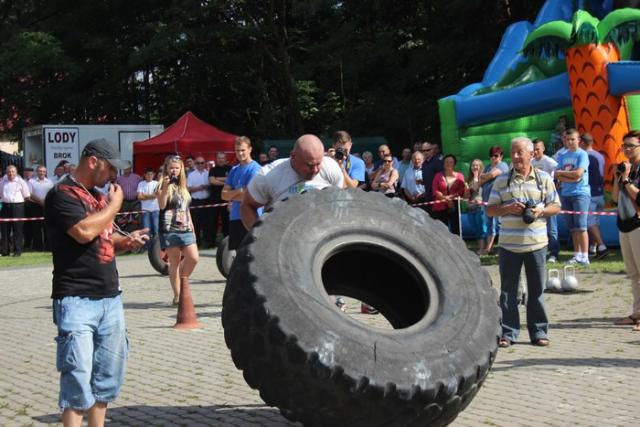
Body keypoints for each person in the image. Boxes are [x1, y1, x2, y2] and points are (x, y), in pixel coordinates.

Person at [44, 138, 148, 427]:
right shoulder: (62, 194)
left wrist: (127, 241)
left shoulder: (98, 197)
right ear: (93, 161)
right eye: (110, 167)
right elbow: (83, 232)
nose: (114, 175)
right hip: (76, 298)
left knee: (106, 378)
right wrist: (114, 206)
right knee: (76, 379)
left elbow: (103, 238)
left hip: (110, 297)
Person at [486, 136, 560, 348]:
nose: (516, 156)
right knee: (508, 293)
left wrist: (540, 211)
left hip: (537, 244)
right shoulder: (502, 180)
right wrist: (507, 208)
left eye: (520, 152)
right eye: (513, 152)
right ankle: (508, 333)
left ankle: (539, 332)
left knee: (537, 291)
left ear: (531, 154)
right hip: (509, 245)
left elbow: (556, 206)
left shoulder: (543, 178)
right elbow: (490, 210)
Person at [240, 134, 344, 230]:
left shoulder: (331, 168)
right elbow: (247, 206)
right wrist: (261, 236)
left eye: (319, 163)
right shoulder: (268, 176)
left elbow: (340, 202)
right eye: (309, 165)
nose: (315, 170)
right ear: (293, 156)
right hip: (283, 237)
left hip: (323, 234)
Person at [157, 155, 199, 305]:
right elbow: (162, 205)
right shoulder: (162, 185)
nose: (174, 170)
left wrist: (192, 226)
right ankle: (177, 295)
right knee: (174, 262)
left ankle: (182, 278)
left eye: (177, 167)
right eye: (171, 168)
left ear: (181, 169)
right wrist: (165, 187)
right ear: (166, 169)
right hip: (169, 229)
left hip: (186, 227)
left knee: (193, 257)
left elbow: (186, 208)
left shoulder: (183, 186)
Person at [612, 130, 640, 331]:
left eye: (631, 145)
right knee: (633, 273)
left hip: (638, 224)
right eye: (624, 146)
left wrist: (628, 179)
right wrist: (618, 177)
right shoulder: (625, 168)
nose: (627, 149)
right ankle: (637, 314)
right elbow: (615, 198)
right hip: (624, 224)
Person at [555, 128, 591, 265]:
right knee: (573, 228)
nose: (570, 142)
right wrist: (571, 177)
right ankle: (577, 254)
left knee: (581, 226)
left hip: (581, 194)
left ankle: (585, 256)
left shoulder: (582, 154)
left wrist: (564, 175)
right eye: (567, 139)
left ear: (578, 140)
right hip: (566, 193)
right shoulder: (562, 155)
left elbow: (579, 174)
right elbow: (557, 175)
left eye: (572, 139)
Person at [222, 137, 261, 252]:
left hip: (250, 216)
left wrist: (232, 195)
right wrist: (239, 191)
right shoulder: (234, 169)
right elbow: (223, 195)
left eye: (243, 150)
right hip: (235, 216)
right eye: (237, 150)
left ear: (250, 149)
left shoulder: (255, 169)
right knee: (237, 254)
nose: (240, 153)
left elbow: (249, 196)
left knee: (251, 253)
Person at [580, 133, 609, 259]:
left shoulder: (584, 156)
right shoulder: (600, 155)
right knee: (595, 222)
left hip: (590, 193)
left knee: (589, 222)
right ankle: (592, 247)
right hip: (600, 193)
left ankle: (602, 247)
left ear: (582, 143)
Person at [532, 138, 560, 263]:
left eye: (537, 149)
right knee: (537, 226)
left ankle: (554, 253)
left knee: (552, 227)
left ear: (543, 149)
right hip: (536, 199)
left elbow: (559, 173)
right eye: (533, 149)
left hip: (548, 199)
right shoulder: (531, 162)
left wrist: (556, 187)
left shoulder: (550, 162)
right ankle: (539, 252)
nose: (535, 152)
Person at [479, 146, 509, 255]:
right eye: (491, 155)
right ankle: (489, 248)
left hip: (499, 201)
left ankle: (503, 248)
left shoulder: (503, 165)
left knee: (500, 224)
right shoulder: (487, 167)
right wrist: (486, 176)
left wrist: (484, 176)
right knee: (489, 225)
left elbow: (491, 175)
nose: (493, 158)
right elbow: (481, 180)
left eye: (496, 155)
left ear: (501, 156)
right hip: (486, 200)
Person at [432, 154, 466, 235]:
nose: (448, 164)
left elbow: (462, 191)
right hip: (440, 206)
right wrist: (445, 198)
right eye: (446, 162)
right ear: (443, 164)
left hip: (454, 206)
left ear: (454, 164)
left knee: (456, 230)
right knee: (442, 231)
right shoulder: (438, 176)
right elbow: (435, 190)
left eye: (451, 162)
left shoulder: (460, 176)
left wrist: (451, 197)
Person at [0, 165, 30, 256]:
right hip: (5, 206)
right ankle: (5, 251)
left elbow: (27, 196)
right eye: (9, 172)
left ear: (16, 172)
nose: (11, 173)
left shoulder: (21, 181)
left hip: (18, 206)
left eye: (13, 171)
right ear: (6, 173)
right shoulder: (2, 182)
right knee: (5, 230)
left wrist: (18, 203)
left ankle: (17, 251)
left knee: (18, 229)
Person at [27, 165, 54, 251]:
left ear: (45, 172)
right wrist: (40, 201)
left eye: (43, 171)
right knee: (36, 227)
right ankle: (38, 247)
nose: (41, 173)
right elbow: (30, 194)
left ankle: (48, 247)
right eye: (40, 171)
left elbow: (52, 193)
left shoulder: (50, 182)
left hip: (47, 205)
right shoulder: (31, 181)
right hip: (34, 206)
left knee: (47, 227)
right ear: (36, 172)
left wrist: (45, 202)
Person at [186, 156, 211, 248]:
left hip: (207, 201)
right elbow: (188, 188)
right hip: (196, 201)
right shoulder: (191, 175)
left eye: (202, 163)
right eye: (198, 163)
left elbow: (212, 185)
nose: (200, 165)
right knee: (196, 223)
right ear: (195, 164)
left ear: (205, 163)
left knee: (207, 223)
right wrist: (199, 188)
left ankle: (207, 242)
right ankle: (197, 243)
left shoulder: (208, 173)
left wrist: (207, 187)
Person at [208, 152, 231, 245]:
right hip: (214, 199)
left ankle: (227, 242)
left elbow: (232, 179)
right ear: (216, 159)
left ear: (225, 159)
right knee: (212, 220)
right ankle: (211, 242)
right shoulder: (212, 169)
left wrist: (218, 178)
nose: (221, 160)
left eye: (222, 158)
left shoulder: (230, 169)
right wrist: (225, 182)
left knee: (227, 220)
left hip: (227, 198)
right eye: (219, 158)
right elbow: (212, 181)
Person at [465, 159, 487, 254]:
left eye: (477, 165)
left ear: (481, 167)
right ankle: (481, 247)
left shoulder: (483, 178)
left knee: (481, 228)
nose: (474, 167)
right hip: (470, 207)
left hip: (479, 207)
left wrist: (475, 176)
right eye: (473, 165)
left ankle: (483, 249)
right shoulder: (468, 180)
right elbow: (466, 194)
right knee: (475, 228)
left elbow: (476, 188)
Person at [137, 167, 160, 247]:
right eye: (148, 174)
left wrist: (145, 195)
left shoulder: (156, 183)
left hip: (156, 209)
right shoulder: (141, 184)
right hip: (145, 210)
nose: (149, 176)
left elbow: (155, 195)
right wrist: (151, 196)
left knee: (156, 229)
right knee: (146, 230)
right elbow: (139, 197)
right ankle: (148, 247)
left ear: (153, 175)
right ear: (144, 175)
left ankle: (157, 247)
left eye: (151, 174)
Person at [420, 141, 444, 217]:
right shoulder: (423, 164)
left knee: (439, 220)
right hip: (428, 197)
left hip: (437, 197)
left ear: (432, 150)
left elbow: (442, 180)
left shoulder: (438, 162)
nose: (425, 152)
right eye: (423, 150)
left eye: (427, 150)